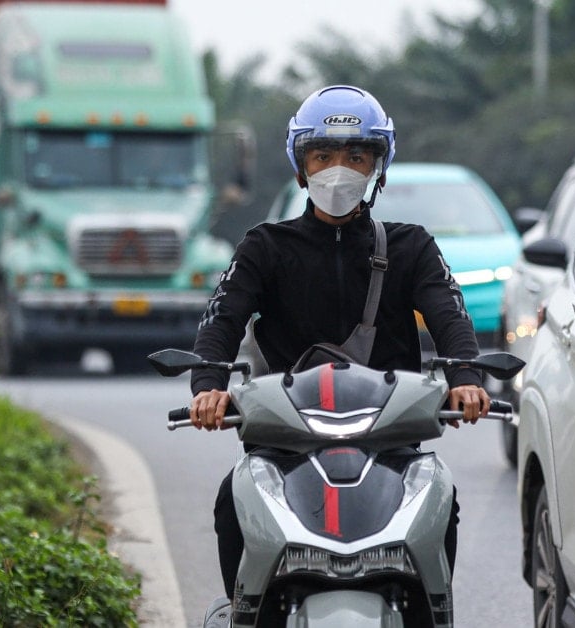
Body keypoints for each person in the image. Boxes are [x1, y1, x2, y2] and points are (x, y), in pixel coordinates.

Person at [187, 84, 491, 600]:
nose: (339, 169)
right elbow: (222, 319)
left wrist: (465, 377)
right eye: (322, 155)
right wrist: (208, 385)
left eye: (356, 156)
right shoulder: (265, 245)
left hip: (389, 441)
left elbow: (450, 315)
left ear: (378, 166)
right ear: (301, 168)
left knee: (442, 503)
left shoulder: (411, 246)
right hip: (283, 440)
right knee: (230, 502)